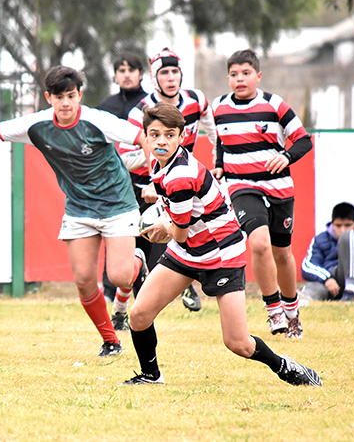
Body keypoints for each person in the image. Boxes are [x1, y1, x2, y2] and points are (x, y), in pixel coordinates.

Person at [0, 65, 149, 357]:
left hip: (117, 204)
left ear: (80, 95)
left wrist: (157, 176)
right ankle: (110, 341)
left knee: (119, 277)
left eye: (71, 96)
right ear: (48, 98)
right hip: (79, 208)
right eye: (59, 97)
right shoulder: (37, 125)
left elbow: (142, 136)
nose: (65, 103)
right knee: (83, 281)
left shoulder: (98, 121)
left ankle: (136, 262)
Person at [122, 103, 321, 387]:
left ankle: (285, 366)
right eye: (154, 135)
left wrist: (161, 227)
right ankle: (151, 376)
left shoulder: (180, 175)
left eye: (169, 134)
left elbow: (177, 233)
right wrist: (167, 221)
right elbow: (183, 226)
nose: (161, 141)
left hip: (220, 253)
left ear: (182, 136)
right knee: (139, 315)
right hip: (188, 249)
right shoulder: (158, 162)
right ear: (146, 137)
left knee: (238, 343)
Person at [212, 49, 313, 339]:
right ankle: (273, 310)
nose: (239, 79)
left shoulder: (274, 105)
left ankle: (292, 311)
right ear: (228, 78)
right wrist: (219, 165)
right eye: (233, 74)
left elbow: (303, 141)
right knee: (258, 244)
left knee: (282, 254)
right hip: (242, 186)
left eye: (245, 73)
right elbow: (221, 140)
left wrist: (286, 157)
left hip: (279, 187)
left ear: (258, 76)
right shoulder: (219, 107)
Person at [125, 48, 219, 313]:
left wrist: (221, 165)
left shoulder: (196, 100)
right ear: (155, 78)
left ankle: (187, 281)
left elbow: (214, 134)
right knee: (140, 250)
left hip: (181, 182)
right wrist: (154, 165)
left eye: (174, 71)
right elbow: (124, 157)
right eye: (163, 72)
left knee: (184, 233)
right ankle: (130, 311)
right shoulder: (139, 111)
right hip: (146, 188)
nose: (170, 77)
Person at [96, 52, 148, 311]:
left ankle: (145, 291)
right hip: (113, 184)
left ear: (141, 73)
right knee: (114, 236)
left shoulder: (150, 104)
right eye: (121, 70)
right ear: (115, 75)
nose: (126, 74)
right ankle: (108, 289)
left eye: (132, 69)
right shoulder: (105, 107)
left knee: (147, 236)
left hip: (144, 183)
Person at [301, 202, 354, 301]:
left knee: (348, 236)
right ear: (332, 224)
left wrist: (352, 242)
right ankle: (303, 300)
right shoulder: (321, 239)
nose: (342, 230)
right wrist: (327, 278)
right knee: (314, 288)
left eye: (348, 225)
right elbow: (307, 266)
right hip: (332, 283)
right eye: (338, 225)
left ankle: (351, 291)